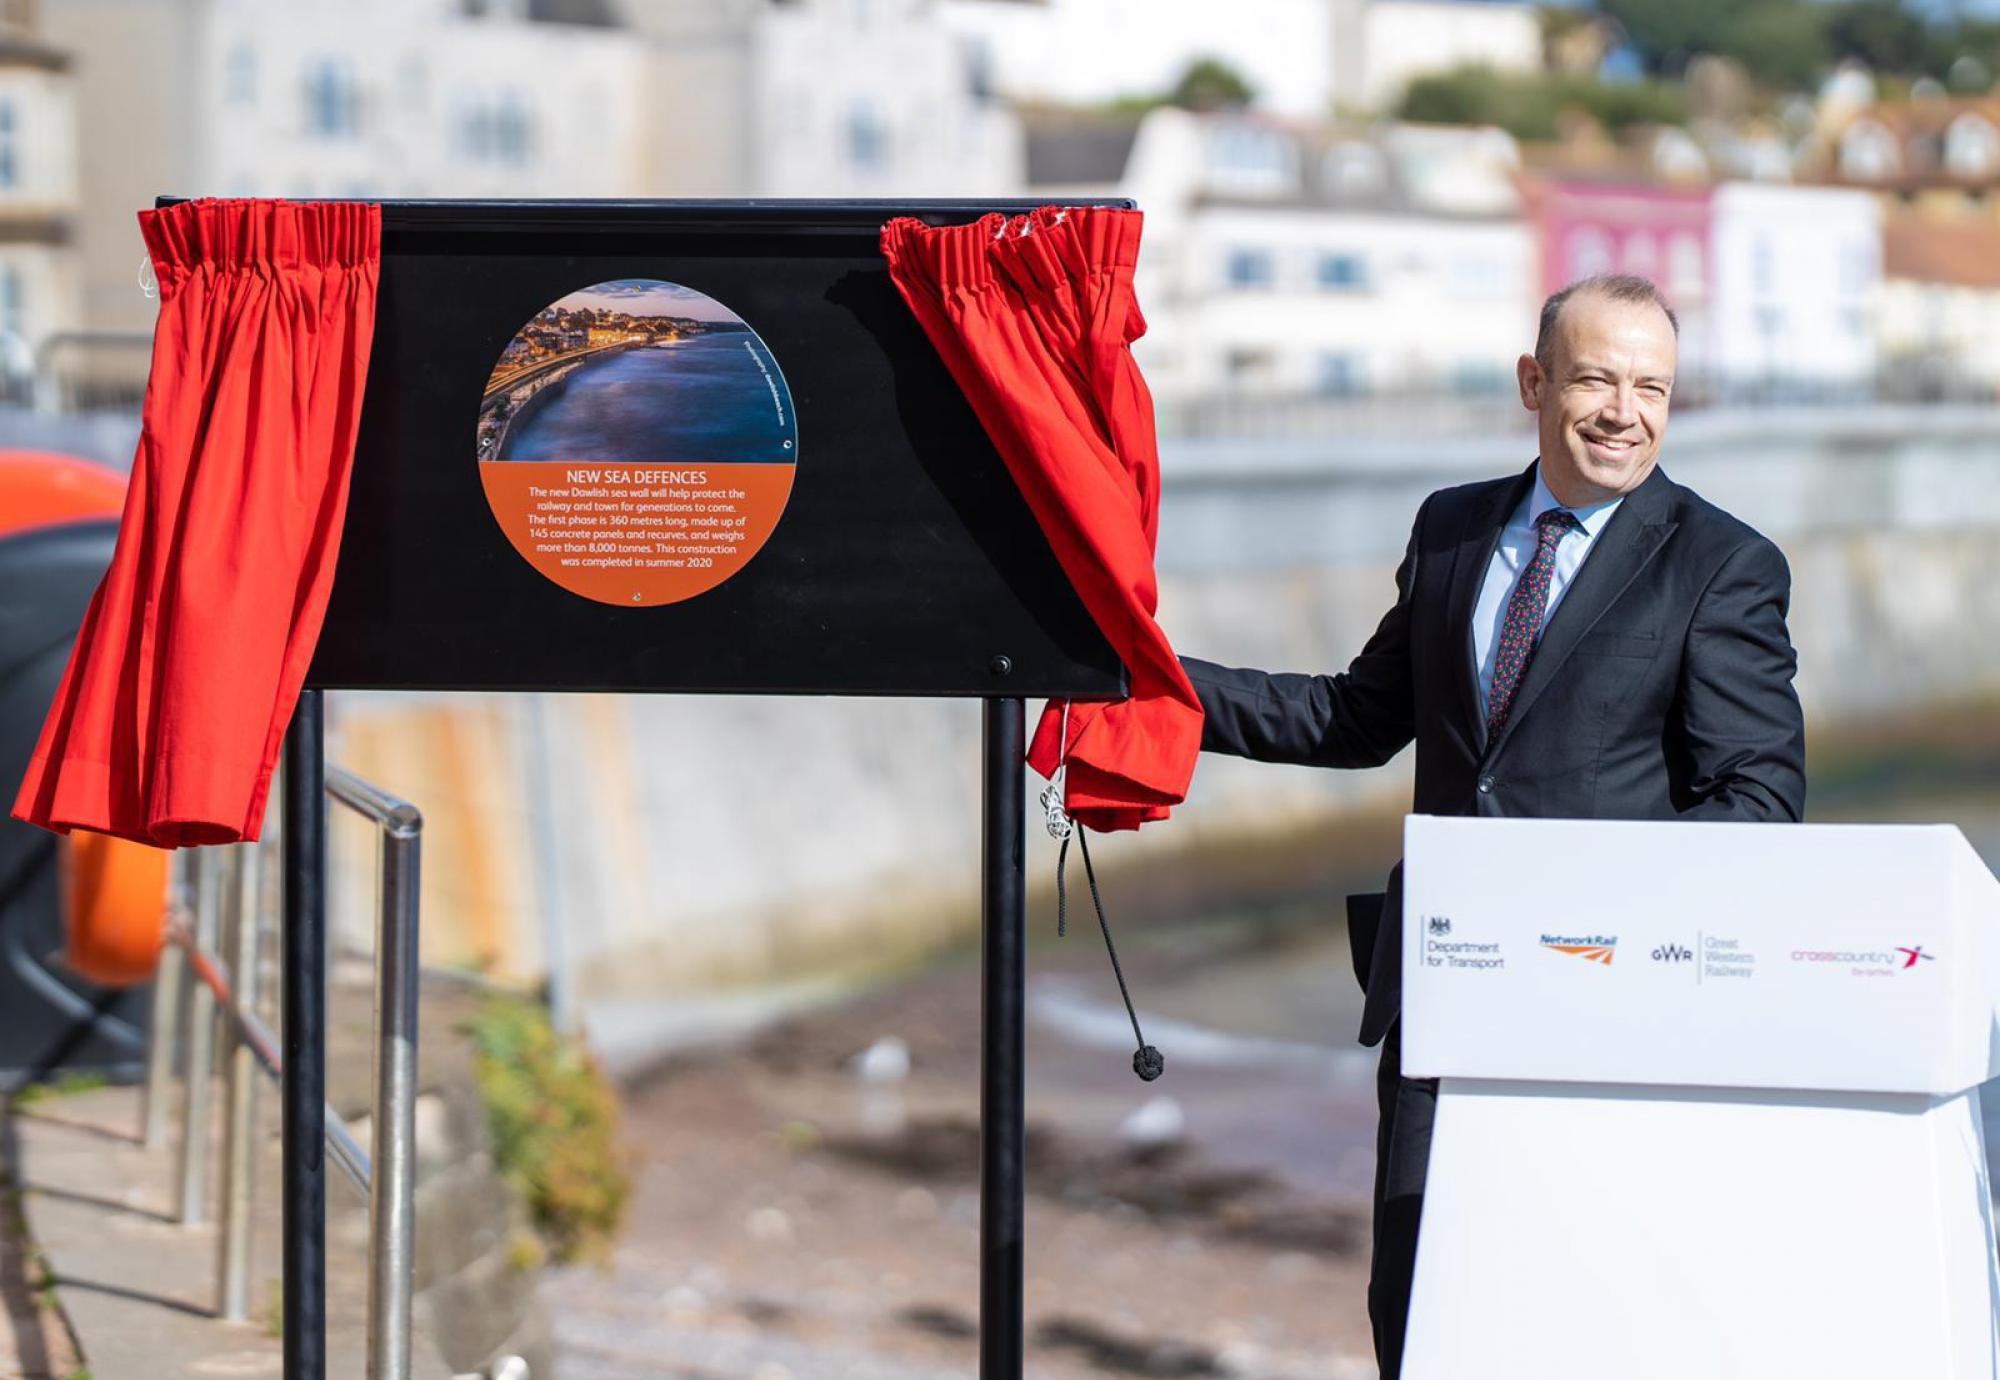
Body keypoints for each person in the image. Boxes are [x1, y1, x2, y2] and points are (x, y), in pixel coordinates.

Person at [1178, 273, 1806, 1378]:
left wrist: (1585, 916)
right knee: (1415, 1306)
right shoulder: (1452, 527)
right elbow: (1352, 716)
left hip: (1601, 1004)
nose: (1624, 410)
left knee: (1574, 1309)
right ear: (1533, 381)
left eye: (1651, 386)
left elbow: (1757, 803)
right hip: (1438, 992)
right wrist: (1147, 685)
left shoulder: (1722, 566)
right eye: (1596, 377)